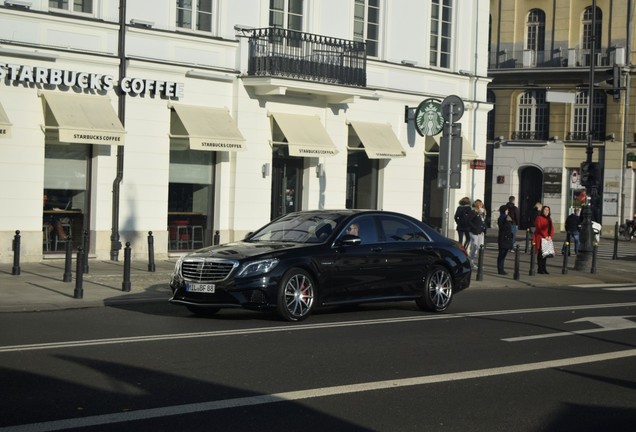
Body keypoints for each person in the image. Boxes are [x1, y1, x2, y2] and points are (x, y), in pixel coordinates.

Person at [532, 205, 555, 274]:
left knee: (545, 254)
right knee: (540, 254)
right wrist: (545, 236)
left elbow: (552, 228)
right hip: (540, 238)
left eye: (548, 210)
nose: (546, 211)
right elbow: (539, 228)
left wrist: (550, 236)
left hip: (547, 238)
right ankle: (540, 268)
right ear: (542, 210)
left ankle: (544, 268)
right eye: (545, 210)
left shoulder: (549, 219)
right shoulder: (539, 218)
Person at [468, 199, 487, 270]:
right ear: (477, 205)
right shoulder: (474, 212)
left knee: (480, 248)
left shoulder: (483, 213)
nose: (481, 206)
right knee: (475, 247)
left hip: (481, 232)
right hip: (474, 232)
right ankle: (471, 262)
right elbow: (469, 221)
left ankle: (480, 264)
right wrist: (474, 227)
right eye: (480, 205)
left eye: (482, 205)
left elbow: (484, 222)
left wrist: (485, 228)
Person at [497, 205, 514, 275]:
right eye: (506, 210)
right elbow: (502, 227)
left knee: (504, 255)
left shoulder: (507, 218)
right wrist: (506, 220)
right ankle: (500, 269)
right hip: (503, 238)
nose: (508, 211)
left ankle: (502, 268)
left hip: (507, 239)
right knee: (501, 255)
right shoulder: (501, 218)